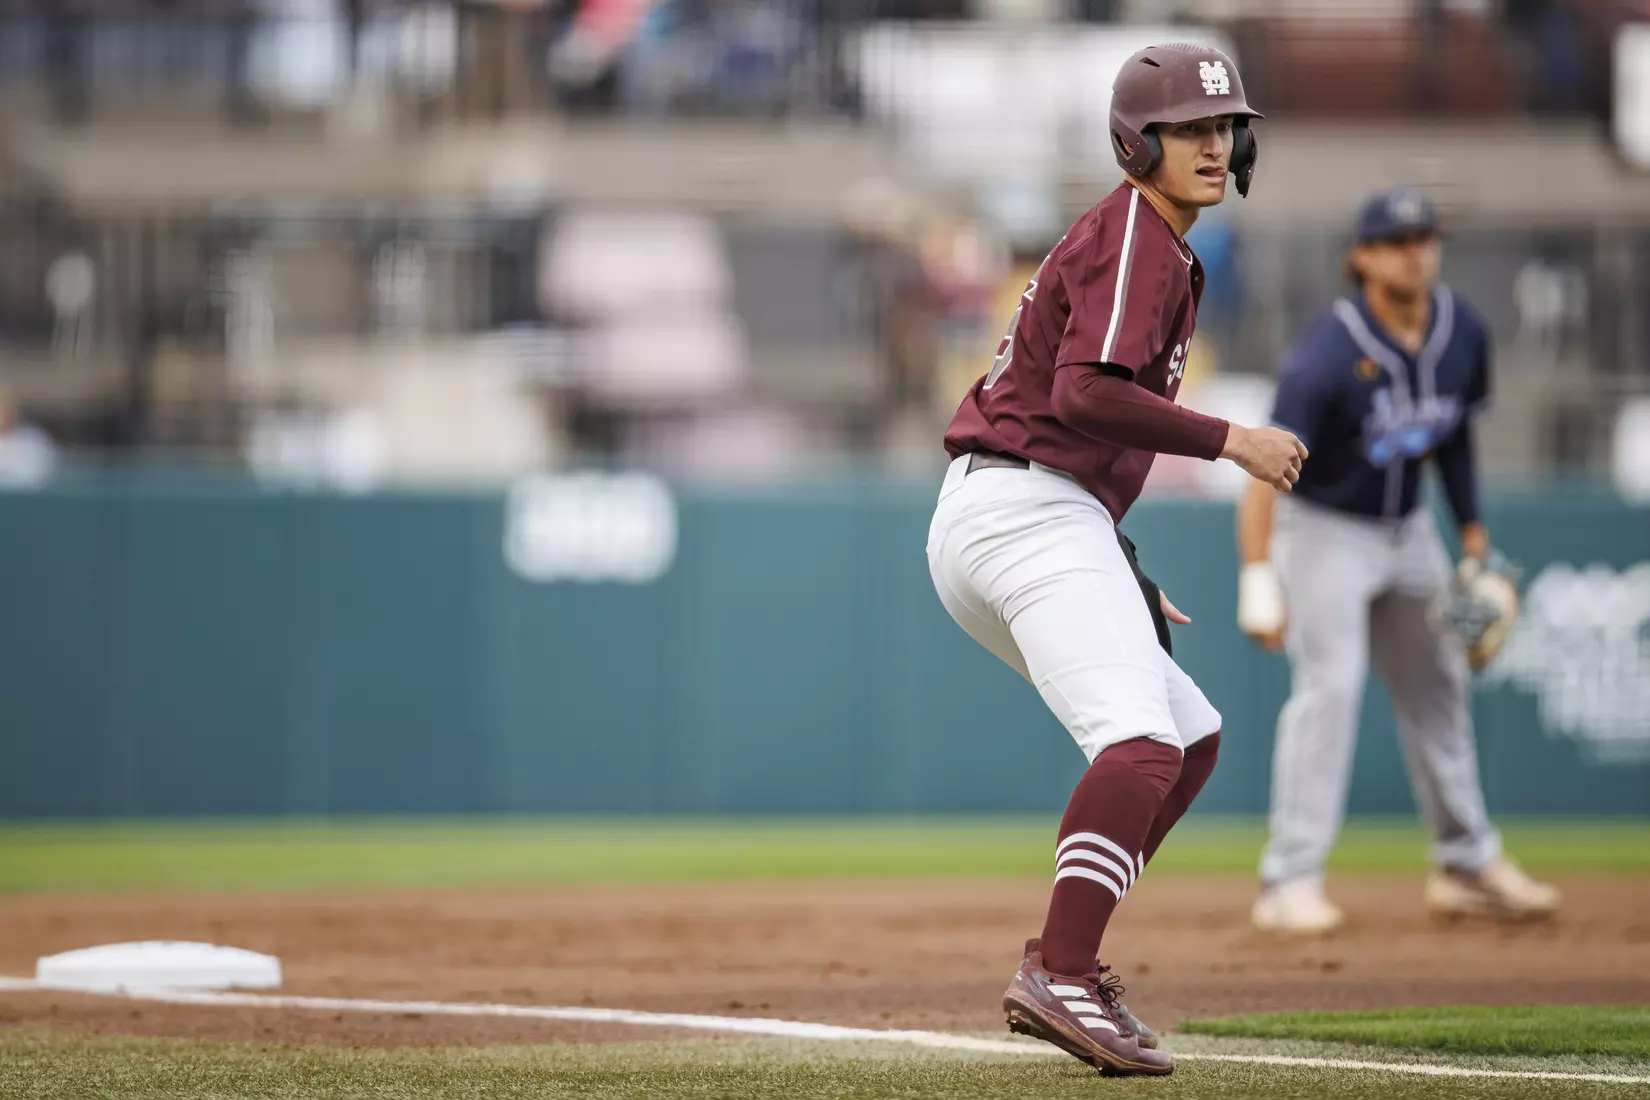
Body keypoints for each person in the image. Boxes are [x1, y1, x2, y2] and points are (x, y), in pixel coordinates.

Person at [926, 43, 1304, 1077]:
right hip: (1023, 505)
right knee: (1138, 742)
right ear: (1138, 141)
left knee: (1188, 736)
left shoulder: (1151, 242)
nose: (1215, 146)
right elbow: (1086, 395)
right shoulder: (1138, 229)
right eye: (1189, 128)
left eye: (1225, 127)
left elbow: (1076, 410)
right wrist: (1234, 439)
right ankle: (1063, 966)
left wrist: (1116, 562)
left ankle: (1068, 958)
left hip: (1031, 507)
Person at [1237, 188, 1561, 935]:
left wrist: (1472, 533)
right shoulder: (1325, 353)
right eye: (1399, 240)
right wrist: (1257, 574)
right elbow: (1263, 465)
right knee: (1331, 689)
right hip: (1323, 529)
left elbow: (1453, 441)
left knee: (1441, 683)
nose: (1416, 251)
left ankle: (1466, 862)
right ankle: (1288, 881)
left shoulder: (1462, 332)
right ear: (1363, 257)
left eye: (1425, 237)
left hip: (1409, 528)